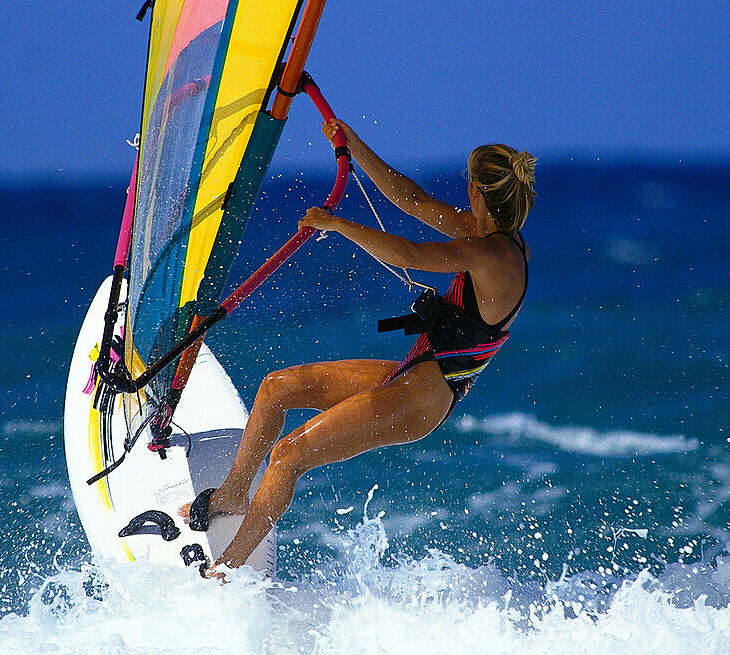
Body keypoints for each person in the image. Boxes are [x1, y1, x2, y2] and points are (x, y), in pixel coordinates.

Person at [180, 119, 536, 578]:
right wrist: (351, 143)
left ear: (478, 190)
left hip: (424, 398)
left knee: (289, 455)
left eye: (467, 180)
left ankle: (226, 570)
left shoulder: (494, 257)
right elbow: (412, 200)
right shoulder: (490, 238)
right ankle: (231, 494)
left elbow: (407, 255)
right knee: (276, 388)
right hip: (415, 372)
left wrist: (336, 224)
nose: (463, 189)